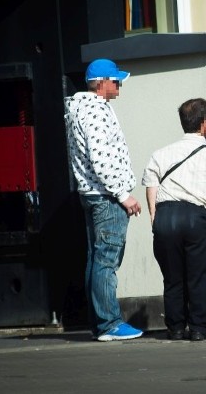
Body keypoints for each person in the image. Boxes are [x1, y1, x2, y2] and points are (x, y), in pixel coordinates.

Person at [64, 58, 144, 341]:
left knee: (96, 259)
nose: (119, 84)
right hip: (107, 196)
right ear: (101, 84)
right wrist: (123, 195)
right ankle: (109, 323)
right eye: (115, 79)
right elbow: (102, 159)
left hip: (93, 194)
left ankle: (100, 323)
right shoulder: (95, 112)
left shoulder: (79, 108)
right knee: (106, 260)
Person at [142, 98, 206, 341]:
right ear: (204, 124)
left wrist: (153, 215)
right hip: (197, 217)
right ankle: (199, 328)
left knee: (173, 276)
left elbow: (151, 182)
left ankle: (175, 327)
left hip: (165, 215)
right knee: (200, 274)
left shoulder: (161, 153)